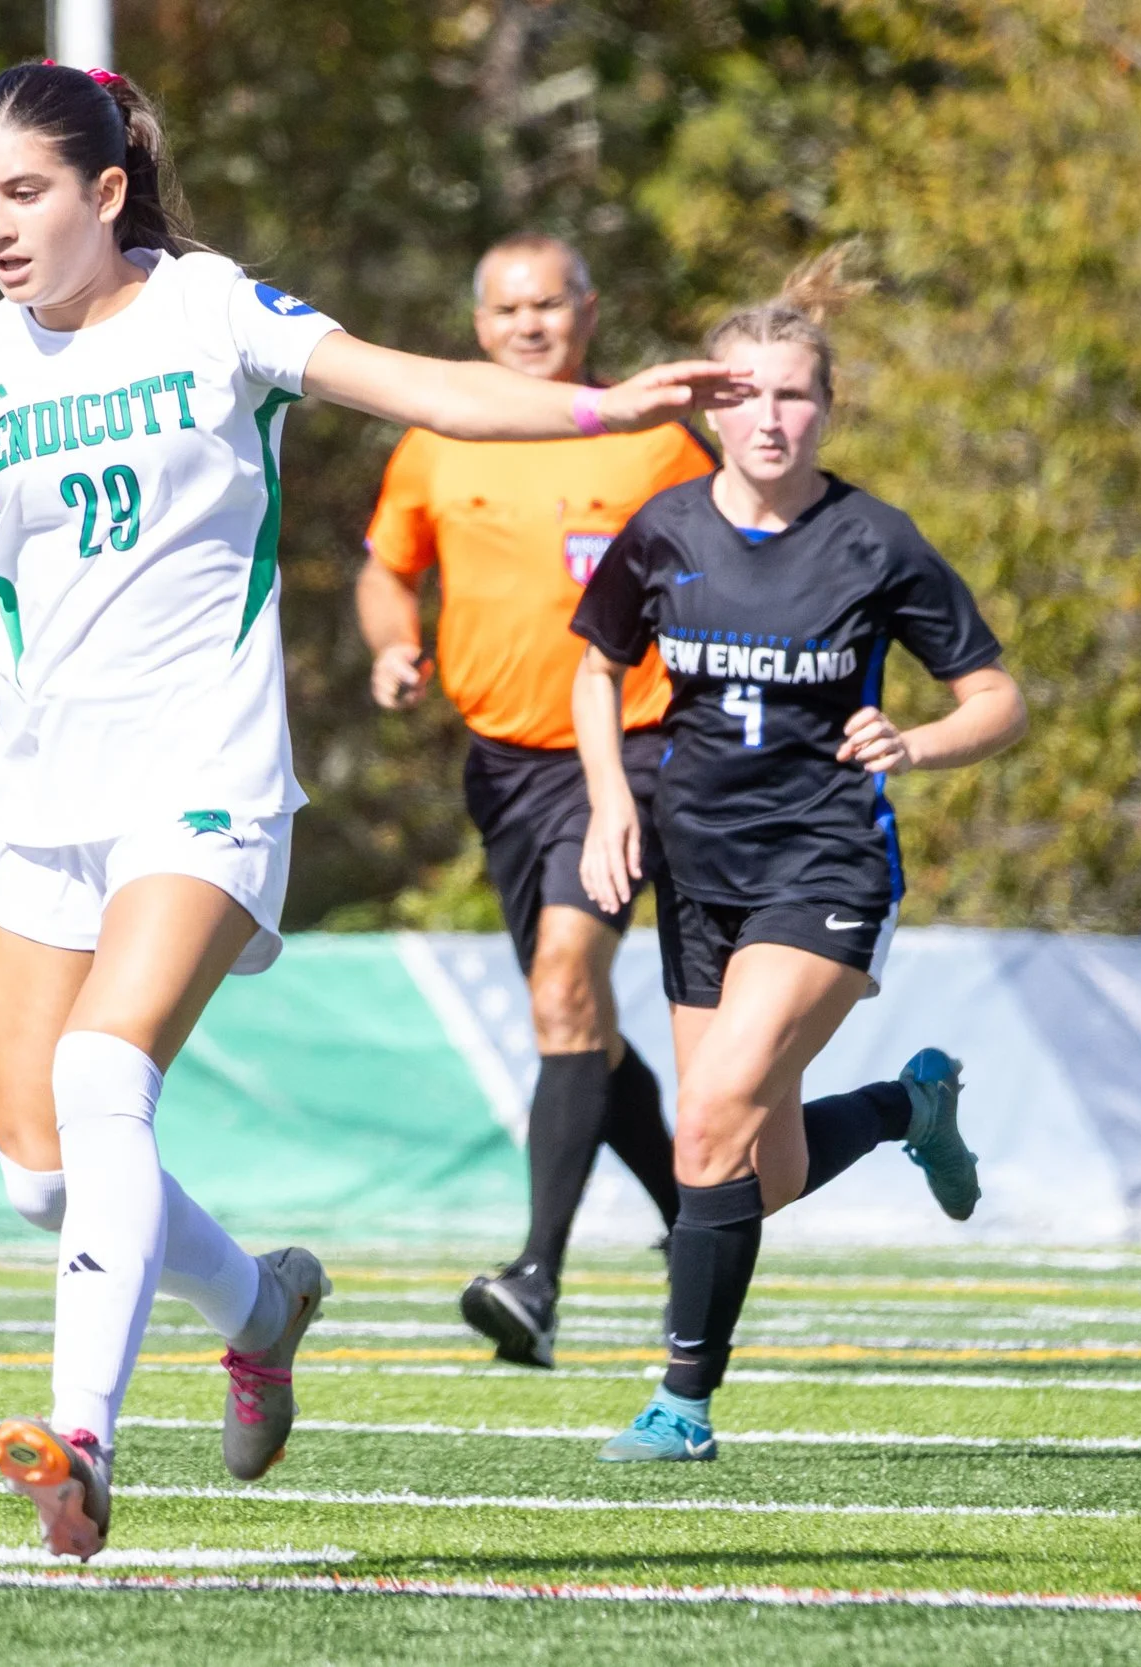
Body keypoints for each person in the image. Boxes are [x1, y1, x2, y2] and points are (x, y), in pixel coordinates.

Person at [0, 60, 747, 1558]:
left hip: (207, 782)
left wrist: (600, 404)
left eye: (28, 192)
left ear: (108, 193)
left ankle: (81, 1443)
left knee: (111, 1077)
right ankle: (260, 1301)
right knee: (40, 1174)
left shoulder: (213, 311)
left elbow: (423, 387)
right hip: (52, 806)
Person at [568, 251, 1028, 1461]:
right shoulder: (662, 530)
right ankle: (904, 1107)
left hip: (823, 868)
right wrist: (611, 794)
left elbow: (998, 696)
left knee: (710, 1117)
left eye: (794, 394)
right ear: (710, 406)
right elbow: (594, 663)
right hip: (694, 874)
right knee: (742, 1169)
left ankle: (681, 1403)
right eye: (747, 393)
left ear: (827, 409)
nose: (769, 416)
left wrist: (918, 741)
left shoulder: (872, 540)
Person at [357, 232, 715, 1368]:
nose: (527, 325)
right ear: (478, 326)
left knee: (566, 981)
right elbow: (383, 565)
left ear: (586, 313)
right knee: (576, 1024)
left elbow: (746, 553)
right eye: (506, 309)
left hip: (633, 751)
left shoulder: (655, 441)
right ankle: (694, 1218)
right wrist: (392, 643)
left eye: (547, 306)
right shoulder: (438, 436)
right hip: (500, 766)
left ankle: (536, 1279)